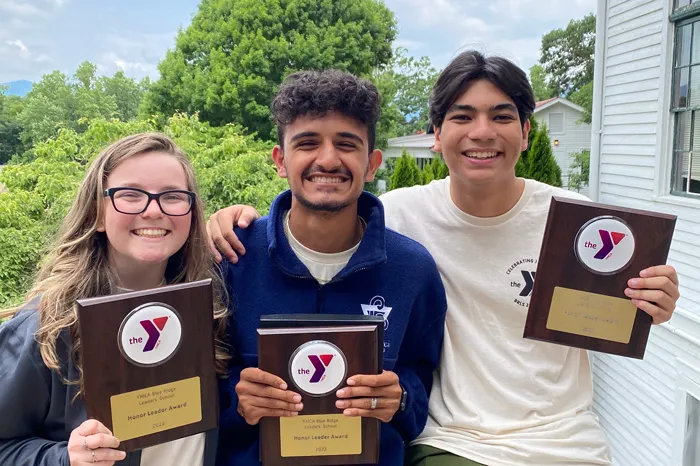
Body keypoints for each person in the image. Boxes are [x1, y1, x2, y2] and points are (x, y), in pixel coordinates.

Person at [206, 51, 681, 466]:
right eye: (462, 116)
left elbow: (615, 310)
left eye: (501, 116)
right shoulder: (398, 218)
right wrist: (226, 220)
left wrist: (651, 300)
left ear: (526, 132)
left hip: (564, 438)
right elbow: (318, 207)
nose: (482, 132)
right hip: (457, 441)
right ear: (436, 134)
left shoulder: (575, 225)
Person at [213, 69, 447, 466]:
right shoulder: (232, 257)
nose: (327, 159)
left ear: (372, 163)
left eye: (346, 143)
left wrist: (401, 398)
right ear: (280, 160)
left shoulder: (412, 270)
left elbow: (421, 382)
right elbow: (195, 385)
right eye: (307, 143)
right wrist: (236, 398)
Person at [0, 133, 230, 466]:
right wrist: (65, 458)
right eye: (131, 195)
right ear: (97, 212)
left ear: (192, 212)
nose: (153, 210)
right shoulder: (45, 328)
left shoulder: (210, 309)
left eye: (173, 196)